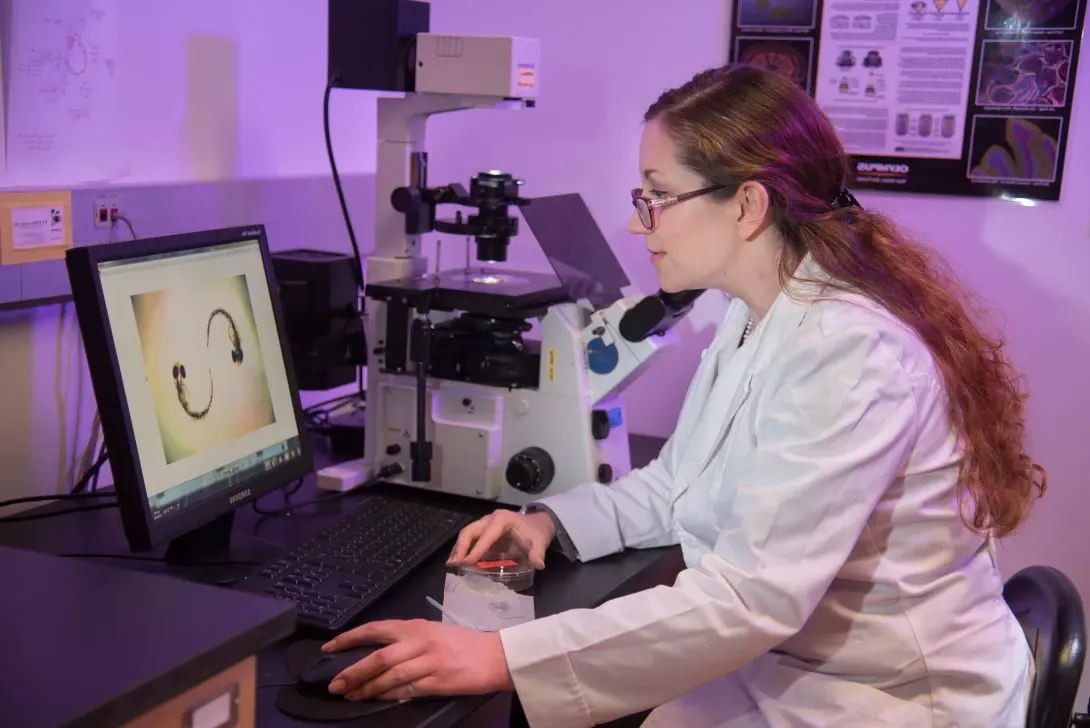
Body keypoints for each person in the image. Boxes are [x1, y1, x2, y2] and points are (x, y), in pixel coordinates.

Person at [319, 64, 1047, 727]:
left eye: (658, 196)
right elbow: (679, 483)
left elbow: (751, 600)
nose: (640, 222)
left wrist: (499, 658)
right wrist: (548, 523)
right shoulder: (755, 313)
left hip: (891, 700)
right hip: (796, 668)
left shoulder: (849, 353)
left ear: (747, 206)